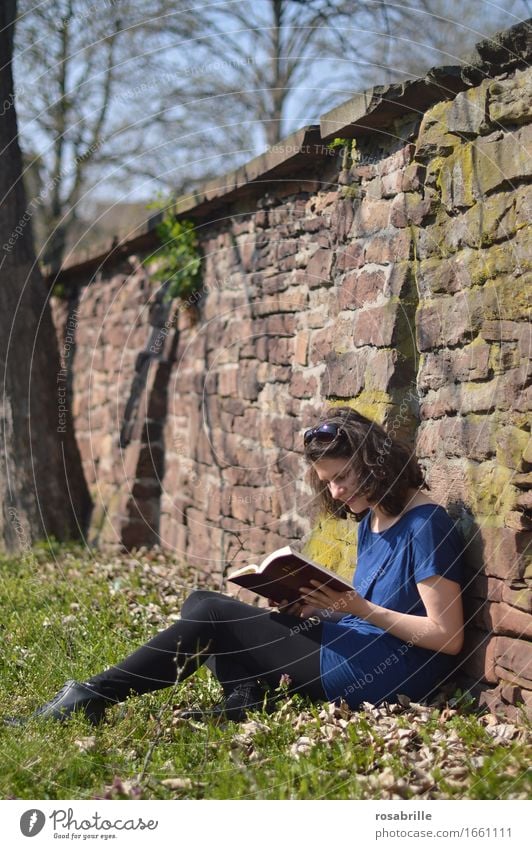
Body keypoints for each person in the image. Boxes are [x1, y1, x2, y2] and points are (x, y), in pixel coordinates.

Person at [5, 407, 464, 727]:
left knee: (212, 616)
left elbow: (447, 636)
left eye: (343, 477)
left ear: (374, 462)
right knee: (202, 600)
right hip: (356, 645)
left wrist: (360, 610)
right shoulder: (374, 516)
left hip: (387, 673)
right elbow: (369, 609)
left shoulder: (426, 523)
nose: (338, 493)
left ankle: (91, 695)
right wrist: (324, 608)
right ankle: (243, 700)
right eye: (329, 483)